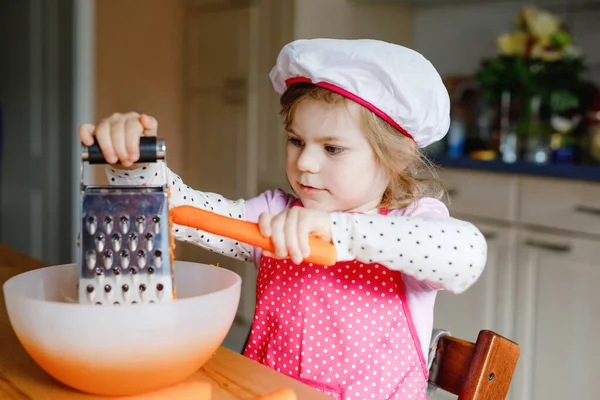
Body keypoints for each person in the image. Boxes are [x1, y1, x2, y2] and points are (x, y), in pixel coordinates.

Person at [79, 38, 487, 400]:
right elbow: (184, 214)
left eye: (332, 149)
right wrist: (134, 161)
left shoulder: (411, 223)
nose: (305, 163)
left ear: (394, 158)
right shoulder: (275, 214)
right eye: (296, 141)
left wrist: (339, 231)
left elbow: (465, 255)